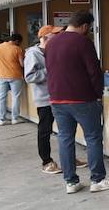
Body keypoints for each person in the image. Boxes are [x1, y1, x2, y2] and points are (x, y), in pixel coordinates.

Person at [45, 11, 109, 194]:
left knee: (65, 138)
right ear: (85, 26)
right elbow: (94, 71)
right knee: (93, 138)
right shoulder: (83, 42)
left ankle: (71, 181)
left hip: (57, 99)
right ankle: (97, 179)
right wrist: (97, 94)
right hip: (83, 98)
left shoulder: (51, 42)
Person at [25, 25, 82, 175]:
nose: (58, 37)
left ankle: (69, 159)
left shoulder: (54, 50)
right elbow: (29, 76)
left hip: (61, 96)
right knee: (45, 130)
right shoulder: (33, 54)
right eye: (54, 35)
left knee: (66, 130)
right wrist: (50, 69)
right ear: (44, 38)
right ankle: (46, 162)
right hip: (45, 99)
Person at [0, 32, 26, 125]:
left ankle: (1, 119)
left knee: (1, 98)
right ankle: (15, 118)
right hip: (15, 75)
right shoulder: (17, 49)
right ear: (16, 41)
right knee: (15, 97)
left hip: (1, 75)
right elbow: (22, 64)